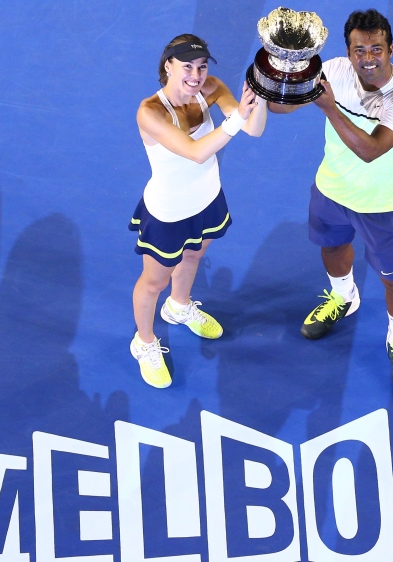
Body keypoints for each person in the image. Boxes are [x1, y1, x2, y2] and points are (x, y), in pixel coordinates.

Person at [268, 10, 393, 394]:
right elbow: (280, 107)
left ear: (390, 49)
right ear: (348, 51)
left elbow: (370, 150)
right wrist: (276, 76)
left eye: (376, 48)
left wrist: (329, 107)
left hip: (382, 203)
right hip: (332, 189)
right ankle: (343, 296)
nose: (368, 58)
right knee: (332, 247)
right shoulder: (335, 70)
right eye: (359, 49)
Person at [130, 34, 267, 388]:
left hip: (207, 200)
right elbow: (195, 152)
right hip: (168, 212)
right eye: (187, 67)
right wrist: (237, 118)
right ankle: (143, 342)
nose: (196, 75)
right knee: (154, 281)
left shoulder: (212, 88)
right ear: (168, 66)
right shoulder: (150, 112)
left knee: (194, 257)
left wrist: (261, 96)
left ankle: (179, 306)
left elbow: (252, 130)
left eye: (202, 66)